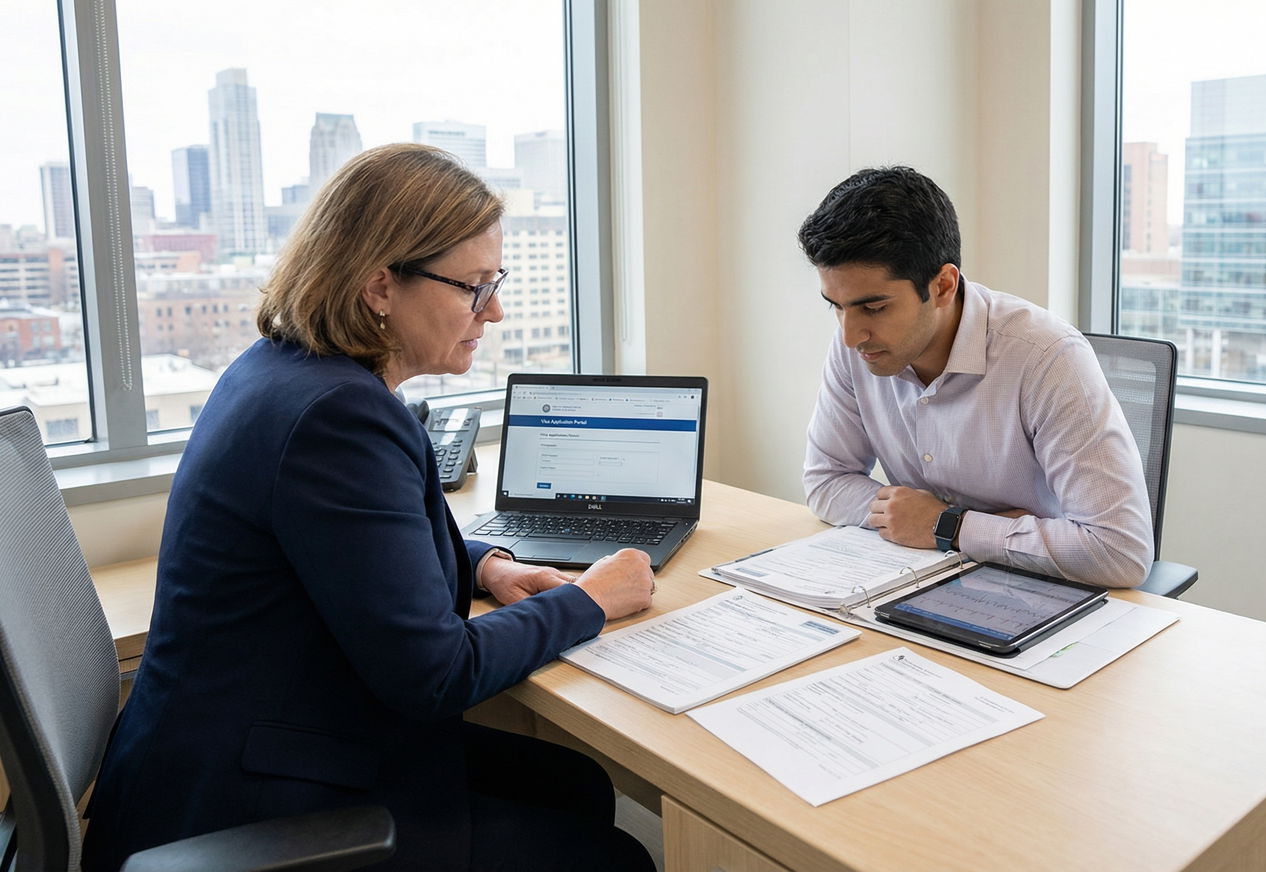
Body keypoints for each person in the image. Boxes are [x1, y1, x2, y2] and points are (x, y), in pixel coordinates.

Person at [83, 144, 656, 872]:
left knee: (570, 782)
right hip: (253, 798)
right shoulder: (336, 418)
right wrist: (593, 602)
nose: (497, 310)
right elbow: (436, 675)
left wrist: (490, 568)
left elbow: (350, 551)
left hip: (244, 740)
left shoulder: (290, 372)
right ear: (381, 286)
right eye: (475, 287)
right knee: (611, 856)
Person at [798, 166, 1154, 589]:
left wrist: (949, 526)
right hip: (924, 580)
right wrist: (923, 520)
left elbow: (1118, 549)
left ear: (944, 286)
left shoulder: (1048, 358)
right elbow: (825, 480)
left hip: (1040, 589)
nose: (849, 334)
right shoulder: (857, 344)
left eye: (874, 308)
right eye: (835, 306)